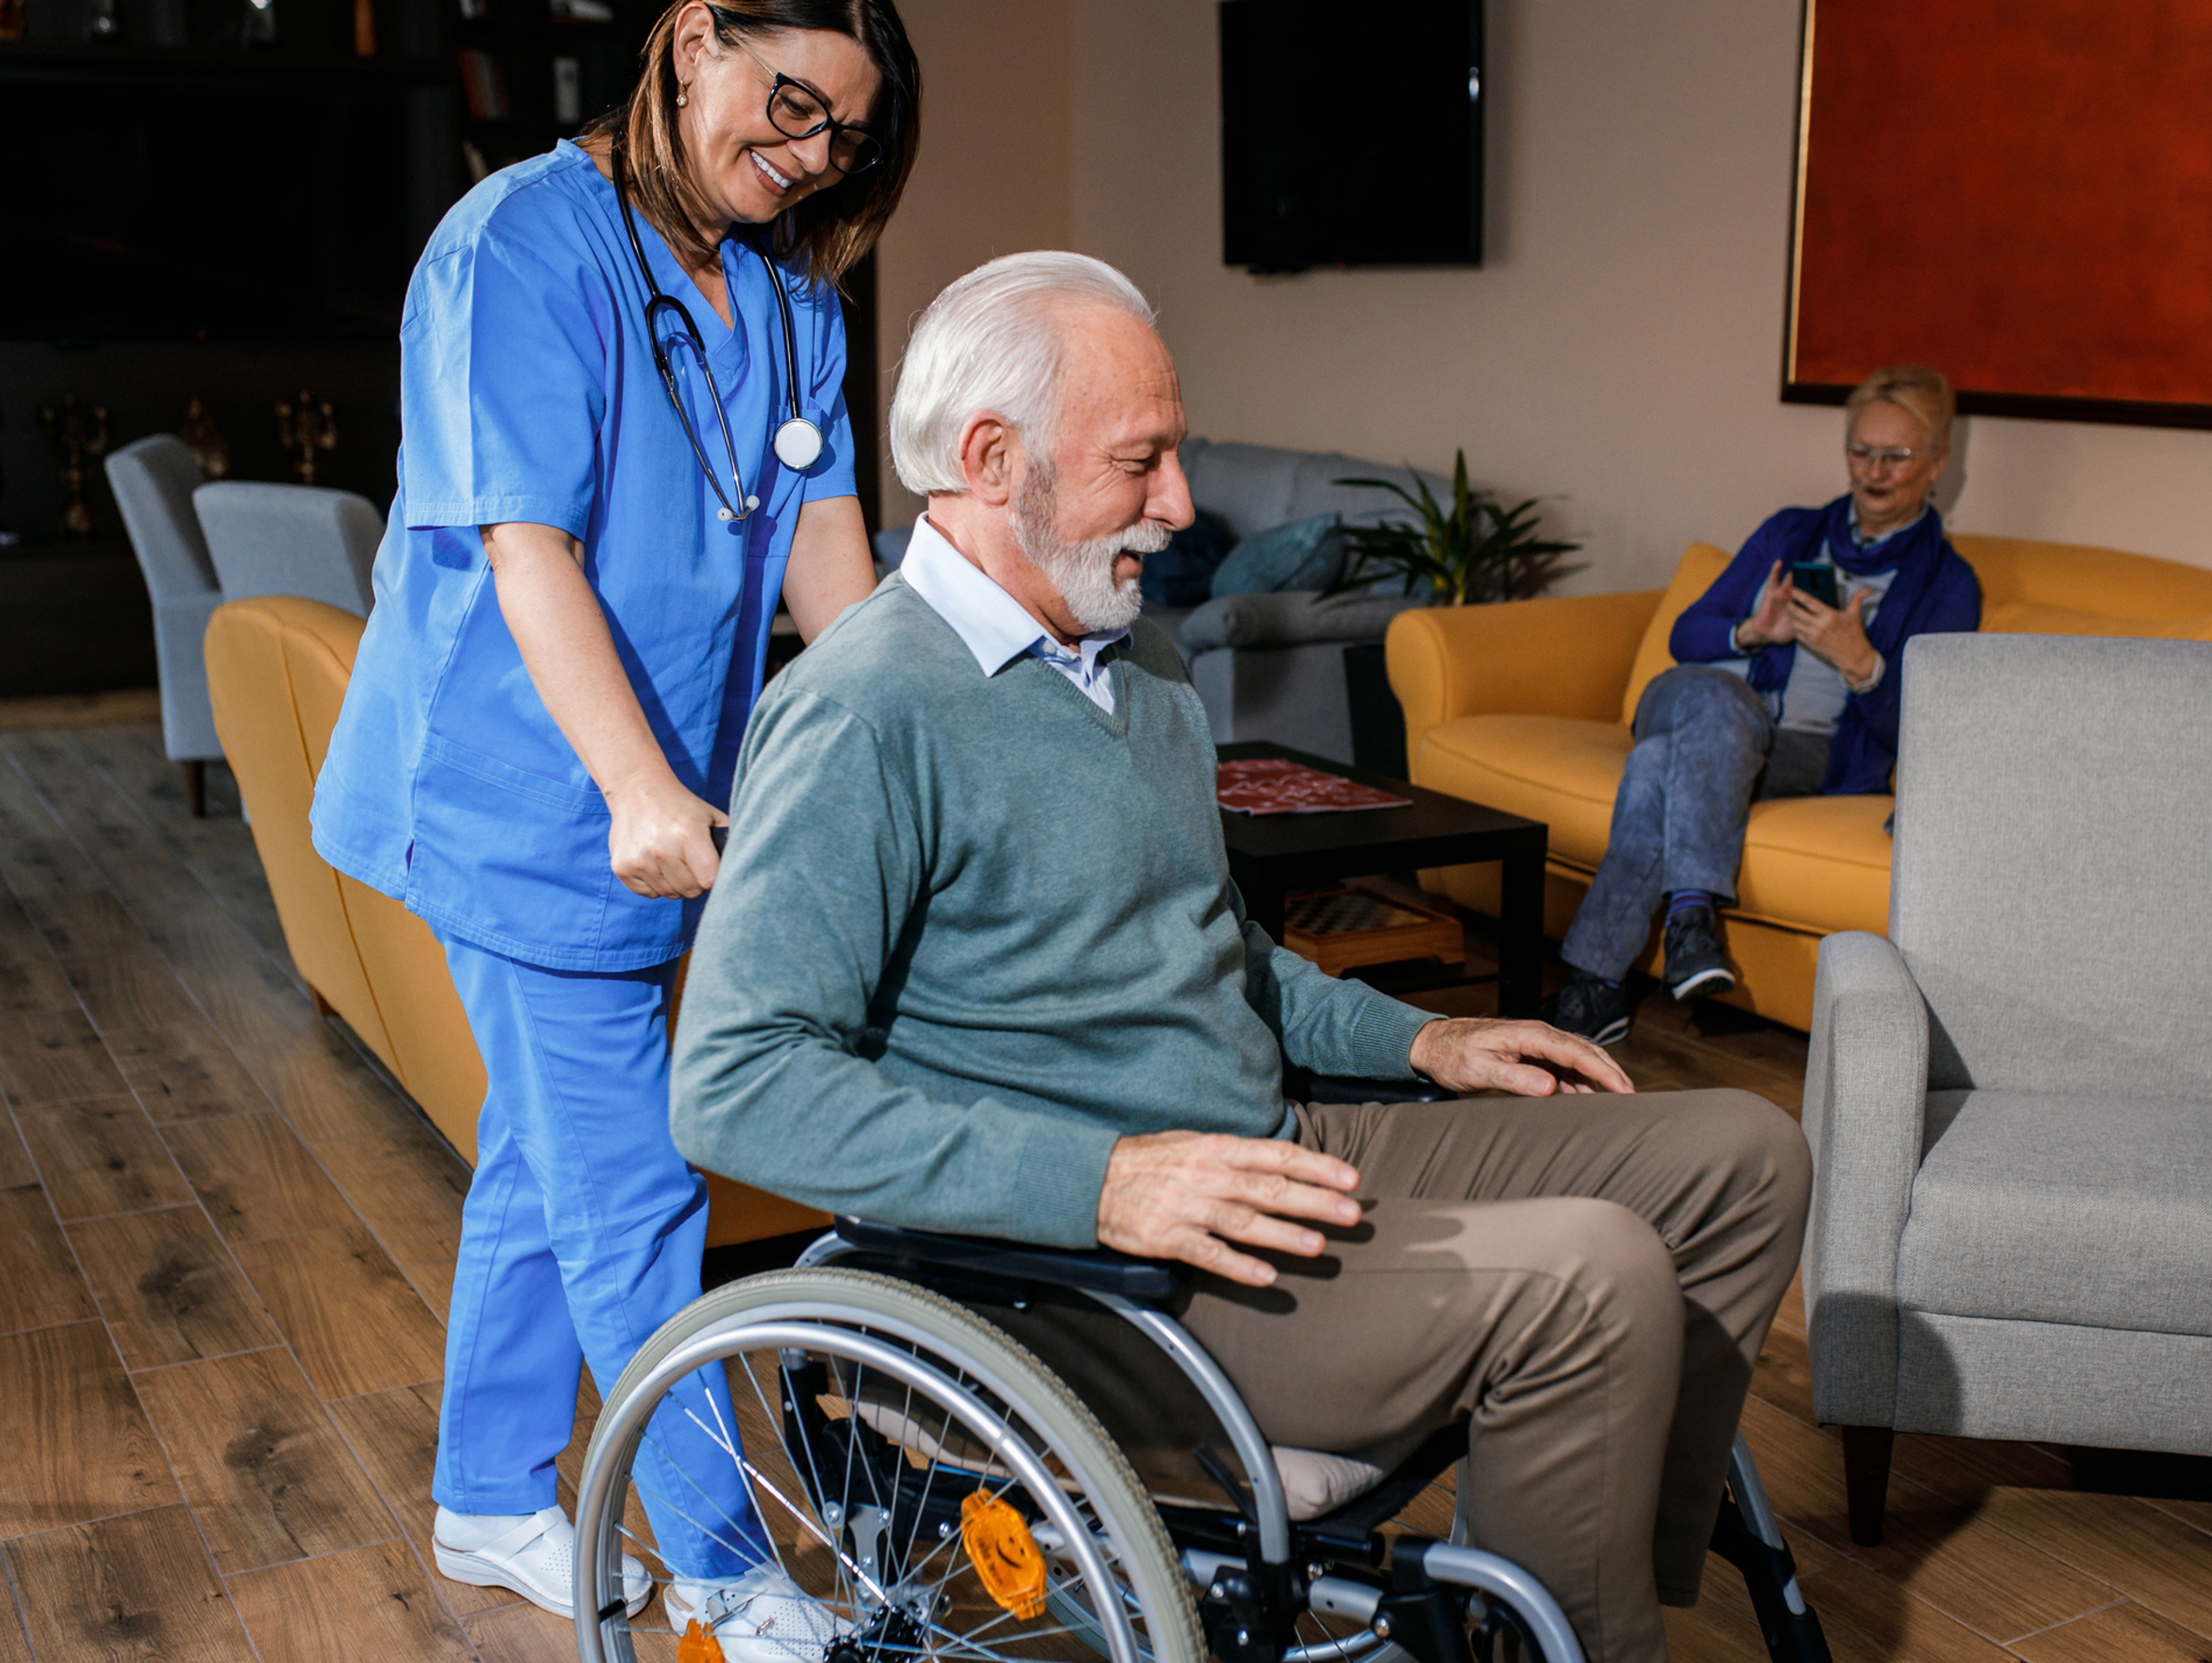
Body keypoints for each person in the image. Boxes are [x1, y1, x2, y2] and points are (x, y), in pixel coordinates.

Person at [668, 253, 1813, 1663]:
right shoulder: (862, 713)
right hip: (1080, 1273)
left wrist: (1422, 1041)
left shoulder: (1135, 658)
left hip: (1266, 1150)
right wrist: (1104, 1181)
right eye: (1139, 461)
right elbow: (734, 1084)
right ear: (988, 459)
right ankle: (1566, 1624)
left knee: (1742, 1161)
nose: (1179, 504)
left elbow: (1219, 955)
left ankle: (1568, 1576)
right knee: (1587, 1272)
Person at [307, 0, 919, 1640]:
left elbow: (825, 546)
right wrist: (640, 784)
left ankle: (493, 1493)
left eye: (843, 141)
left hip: (668, 804)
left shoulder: (789, 287)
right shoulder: (520, 246)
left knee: (550, 1153)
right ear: (693, 35)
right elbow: (527, 550)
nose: (805, 159)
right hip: (525, 794)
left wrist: (904, 755)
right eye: (789, 105)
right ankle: (727, 1561)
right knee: (640, 1181)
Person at [1546, 364, 1983, 1045]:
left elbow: (1929, 729)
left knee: (1661, 764)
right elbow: (1686, 635)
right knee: (1719, 701)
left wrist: (1860, 662)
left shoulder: (1950, 585)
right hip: (1694, 698)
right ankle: (1692, 916)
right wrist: (1752, 632)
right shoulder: (1790, 532)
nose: (1873, 470)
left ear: (1938, 464)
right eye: (1860, 450)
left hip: (1800, 751)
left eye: (1896, 456)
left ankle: (1597, 986)